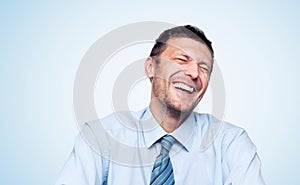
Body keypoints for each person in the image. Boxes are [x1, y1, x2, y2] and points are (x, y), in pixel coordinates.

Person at [56, 25, 266, 185]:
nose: (194, 73)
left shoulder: (231, 144)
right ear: (151, 68)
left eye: (204, 68)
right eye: (182, 60)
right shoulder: (100, 137)